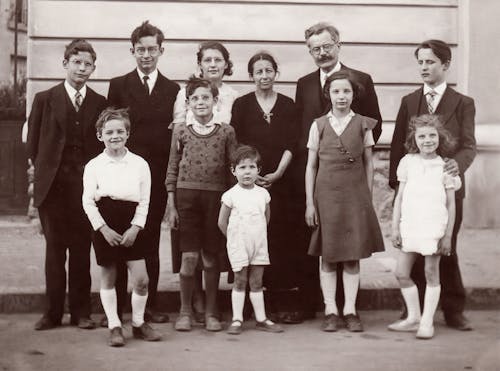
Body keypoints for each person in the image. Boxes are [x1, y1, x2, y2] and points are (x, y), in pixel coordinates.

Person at [288, 21, 383, 324]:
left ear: (338, 44)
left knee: (350, 247)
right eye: (315, 49)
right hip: (320, 180)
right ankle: (319, 306)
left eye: (327, 46)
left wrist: (349, 149)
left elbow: (373, 125)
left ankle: (349, 308)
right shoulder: (304, 83)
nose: (322, 53)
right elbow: (303, 128)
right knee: (322, 247)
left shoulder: (361, 79)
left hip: (350, 180)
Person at [389, 39, 476, 331]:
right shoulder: (409, 101)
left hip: (445, 189)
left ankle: (453, 310)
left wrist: (457, 165)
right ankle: (413, 311)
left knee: (444, 249)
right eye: (421, 62)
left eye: (430, 62)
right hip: (414, 192)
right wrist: (396, 187)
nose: (424, 67)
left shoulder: (463, 103)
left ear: (445, 65)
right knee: (412, 251)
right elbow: (399, 147)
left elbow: (468, 145)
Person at [27, 39, 107, 331]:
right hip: (54, 189)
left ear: (93, 68)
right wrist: (42, 181)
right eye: (77, 63)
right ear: (65, 64)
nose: (82, 69)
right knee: (54, 251)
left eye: (88, 64)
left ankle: (81, 312)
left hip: (85, 190)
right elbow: (34, 145)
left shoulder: (99, 102)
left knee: (82, 250)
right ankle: (52, 313)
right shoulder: (44, 99)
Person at [107, 21, 180, 325]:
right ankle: (118, 304)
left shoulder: (172, 89)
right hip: (123, 175)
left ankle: (147, 305)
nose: (146, 55)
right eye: (141, 49)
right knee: (121, 236)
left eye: (152, 49)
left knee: (149, 238)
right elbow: (110, 129)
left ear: (161, 51)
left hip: (156, 178)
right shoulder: (119, 85)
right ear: (132, 51)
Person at [305, 71, 384, 332]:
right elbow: (311, 166)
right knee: (328, 255)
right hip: (326, 196)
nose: (341, 96)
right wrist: (309, 203)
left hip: (354, 195)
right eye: (336, 91)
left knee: (352, 255)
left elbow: (369, 163)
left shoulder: (363, 123)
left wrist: (367, 197)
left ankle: (350, 309)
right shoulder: (318, 125)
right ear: (328, 94)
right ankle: (331, 310)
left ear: (354, 94)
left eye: (346, 91)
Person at [170, 41, 238, 323]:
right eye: (195, 99)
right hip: (186, 198)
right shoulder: (181, 131)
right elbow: (171, 168)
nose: (201, 103)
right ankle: (185, 310)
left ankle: (211, 311)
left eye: (206, 99)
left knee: (211, 258)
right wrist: (170, 204)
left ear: (215, 101)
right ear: (188, 103)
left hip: (216, 198)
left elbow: (233, 166)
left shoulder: (226, 131)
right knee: (188, 258)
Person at [82, 108, 161, 346]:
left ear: (128, 134)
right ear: (100, 136)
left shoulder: (139, 164)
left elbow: (145, 199)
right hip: (106, 224)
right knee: (109, 276)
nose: (114, 136)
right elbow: (87, 201)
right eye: (109, 132)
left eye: (120, 131)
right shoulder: (94, 165)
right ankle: (114, 325)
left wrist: (136, 227)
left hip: (132, 224)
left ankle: (138, 323)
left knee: (141, 279)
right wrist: (102, 229)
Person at [230, 52, 298, 320]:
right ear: (251, 76)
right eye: (258, 71)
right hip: (250, 182)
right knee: (251, 237)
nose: (264, 76)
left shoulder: (289, 105)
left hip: (282, 182)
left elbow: (293, 143)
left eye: (269, 70)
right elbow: (237, 144)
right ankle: (248, 304)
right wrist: (252, 175)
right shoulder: (242, 105)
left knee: (279, 239)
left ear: (276, 73)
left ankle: (280, 301)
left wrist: (279, 172)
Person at [389, 114, 460, 339]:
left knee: (431, 272)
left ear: (440, 138)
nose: (427, 140)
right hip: (411, 224)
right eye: (422, 136)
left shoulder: (446, 167)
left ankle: (427, 322)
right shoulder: (408, 162)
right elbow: (400, 197)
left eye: (432, 135)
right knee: (401, 273)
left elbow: (451, 203)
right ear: (414, 139)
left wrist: (448, 235)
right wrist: (395, 227)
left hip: (433, 226)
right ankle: (414, 317)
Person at [218, 145, 284, 335]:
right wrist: (234, 239)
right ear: (233, 171)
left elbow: (266, 217)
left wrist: (257, 234)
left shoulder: (263, 194)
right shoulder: (230, 195)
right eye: (242, 167)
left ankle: (261, 318)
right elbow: (222, 222)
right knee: (240, 280)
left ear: (258, 170)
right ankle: (237, 319)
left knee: (256, 281)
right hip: (239, 243)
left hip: (259, 243)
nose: (247, 172)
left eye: (251, 167)